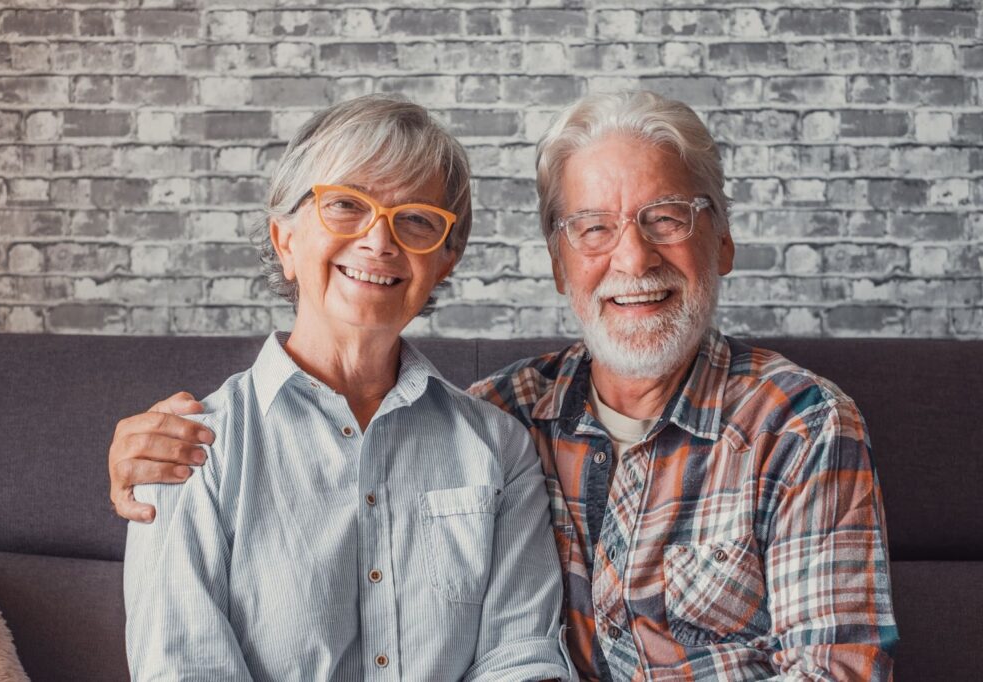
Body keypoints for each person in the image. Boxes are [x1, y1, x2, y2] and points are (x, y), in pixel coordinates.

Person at [111, 90, 897, 680]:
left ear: (722, 241)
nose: (631, 259)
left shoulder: (794, 424)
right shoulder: (190, 450)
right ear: (282, 238)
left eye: (665, 219)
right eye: (593, 227)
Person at [120, 94, 573, 681]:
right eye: (345, 206)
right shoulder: (187, 450)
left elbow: (518, 658)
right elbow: (182, 670)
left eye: (415, 219)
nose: (378, 241)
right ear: (285, 241)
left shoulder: (500, 450)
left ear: (445, 260)